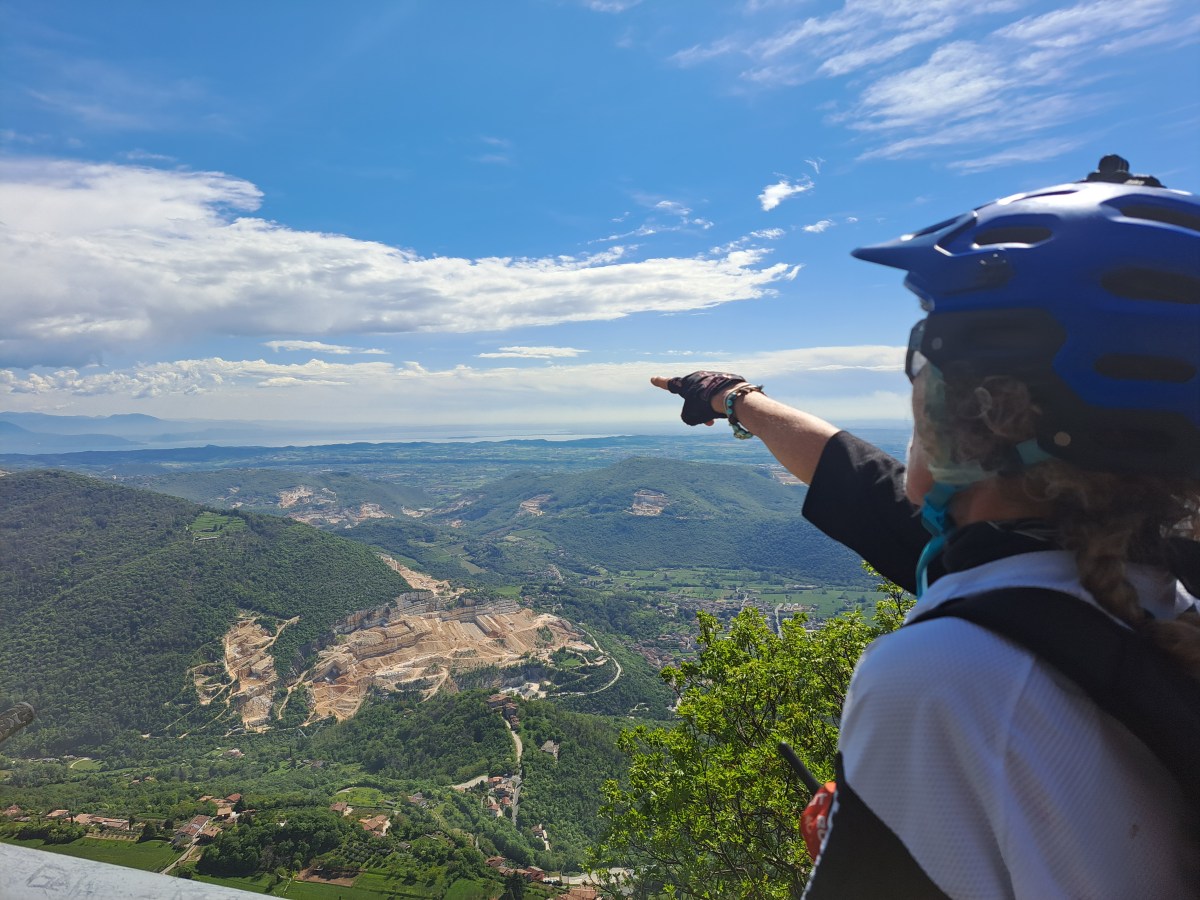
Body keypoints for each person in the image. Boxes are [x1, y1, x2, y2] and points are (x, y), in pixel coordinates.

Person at [653, 155, 1200, 899]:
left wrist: (869, 829)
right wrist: (733, 398)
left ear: (982, 416)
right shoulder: (1134, 589)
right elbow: (863, 485)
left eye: (924, 368)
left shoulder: (948, 676)